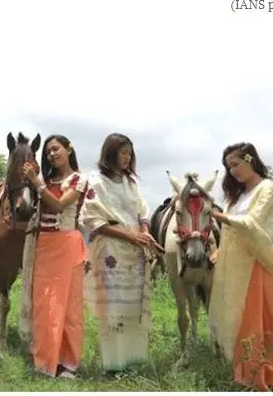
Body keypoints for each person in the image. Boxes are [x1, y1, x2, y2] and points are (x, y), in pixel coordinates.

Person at [208, 142, 273, 391]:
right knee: (242, 314)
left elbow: (253, 222)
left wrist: (221, 217)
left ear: (251, 160)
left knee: (266, 315)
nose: (233, 171)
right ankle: (248, 370)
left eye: (236, 164)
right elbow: (232, 233)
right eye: (229, 167)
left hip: (262, 260)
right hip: (239, 263)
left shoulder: (267, 189)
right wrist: (219, 249)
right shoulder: (238, 196)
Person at [81, 133, 157, 374]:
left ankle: (134, 362)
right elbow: (92, 219)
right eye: (123, 152)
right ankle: (113, 365)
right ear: (110, 152)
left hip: (135, 254)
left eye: (129, 153)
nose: (127, 157)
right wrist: (129, 235)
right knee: (113, 309)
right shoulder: (95, 181)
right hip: (111, 252)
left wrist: (144, 232)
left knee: (133, 307)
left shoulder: (130, 182)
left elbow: (142, 210)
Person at [18, 134, 91, 379]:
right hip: (44, 245)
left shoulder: (78, 180)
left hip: (68, 245)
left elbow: (60, 205)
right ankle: (45, 361)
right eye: (48, 151)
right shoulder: (46, 179)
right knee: (45, 305)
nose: (52, 154)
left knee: (69, 307)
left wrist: (36, 182)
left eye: (56, 149)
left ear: (69, 149)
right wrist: (32, 181)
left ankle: (68, 363)